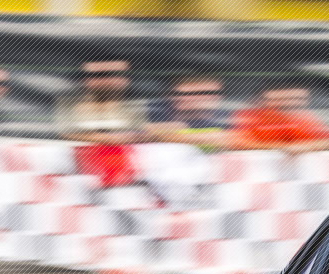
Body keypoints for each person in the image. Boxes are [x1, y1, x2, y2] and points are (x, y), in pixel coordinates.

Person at [57, 59, 146, 189]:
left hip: (130, 181)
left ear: (127, 79)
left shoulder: (140, 105)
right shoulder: (69, 105)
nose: (107, 81)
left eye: (115, 74)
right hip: (82, 182)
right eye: (99, 75)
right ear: (84, 80)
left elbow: (152, 136)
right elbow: (64, 135)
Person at [231, 84, 329, 154]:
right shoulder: (249, 115)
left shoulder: (299, 118)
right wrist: (284, 147)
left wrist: (302, 147)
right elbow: (236, 142)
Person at [148, 75, 228, 148]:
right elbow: (145, 133)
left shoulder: (226, 116)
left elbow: (228, 139)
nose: (197, 98)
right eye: (187, 93)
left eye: (207, 93)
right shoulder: (155, 110)